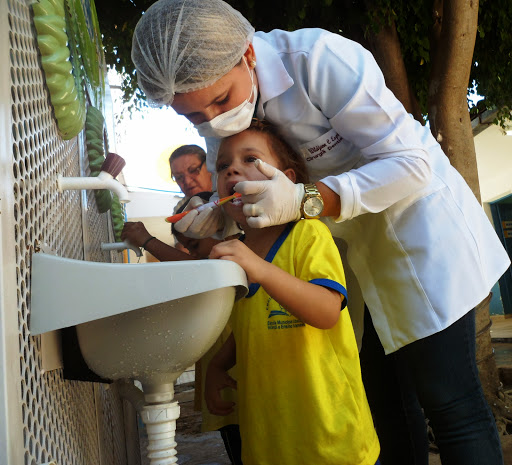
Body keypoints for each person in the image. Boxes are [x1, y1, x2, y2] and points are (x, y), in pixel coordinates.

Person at [131, 2, 511, 464]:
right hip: (356, 254)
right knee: (386, 401)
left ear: (248, 55)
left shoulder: (319, 60)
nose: (213, 122)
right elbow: (246, 184)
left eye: (221, 100)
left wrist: (304, 200)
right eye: (194, 117)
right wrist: (220, 213)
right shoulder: (223, 111)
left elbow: (411, 164)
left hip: (420, 234)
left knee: (450, 402)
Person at [205, 119, 380, 465]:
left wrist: (259, 269)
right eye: (223, 165)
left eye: (250, 159)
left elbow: (327, 312)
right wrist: (218, 365)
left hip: (330, 440)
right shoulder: (235, 251)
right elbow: (250, 326)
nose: (232, 170)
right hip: (269, 442)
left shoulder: (309, 236)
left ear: (286, 179)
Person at [122, 144, 212, 256]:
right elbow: (184, 253)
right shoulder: (181, 209)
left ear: (209, 166)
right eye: (179, 177)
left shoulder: (226, 192)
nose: (187, 181)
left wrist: (147, 241)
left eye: (193, 170)